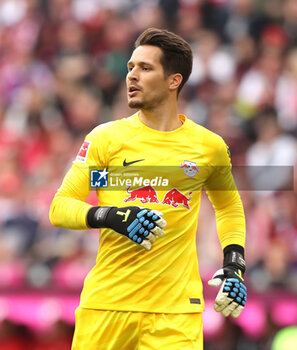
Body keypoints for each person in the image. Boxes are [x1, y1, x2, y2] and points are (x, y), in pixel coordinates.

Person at [49, 28, 247, 350]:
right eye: (130, 67)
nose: (132, 76)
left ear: (174, 81)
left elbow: (228, 207)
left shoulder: (208, 147)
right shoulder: (104, 139)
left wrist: (234, 264)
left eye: (145, 68)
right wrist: (111, 216)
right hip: (107, 306)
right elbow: (60, 206)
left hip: (176, 314)